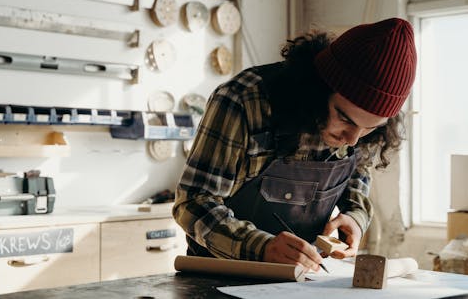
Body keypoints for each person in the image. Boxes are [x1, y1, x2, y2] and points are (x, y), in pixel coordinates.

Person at [172, 18, 417, 273]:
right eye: (344, 118)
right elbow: (192, 203)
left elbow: (358, 171)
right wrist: (260, 248)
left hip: (301, 281)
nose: (353, 139)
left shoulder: (358, 132)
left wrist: (356, 217)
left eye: (370, 128)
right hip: (219, 277)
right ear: (318, 89)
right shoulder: (245, 101)